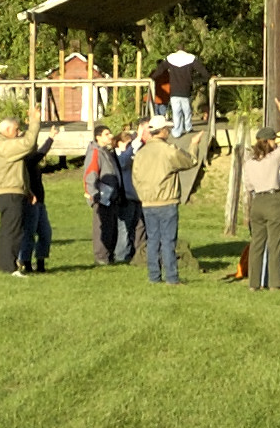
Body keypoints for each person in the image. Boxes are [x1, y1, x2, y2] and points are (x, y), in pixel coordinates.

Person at [129, 114, 213, 284]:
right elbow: (190, 161)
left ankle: (154, 276)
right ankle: (172, 278)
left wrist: (143, 195)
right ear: (164, 131)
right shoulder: (168, 150)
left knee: (152, 240)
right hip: (167, 201)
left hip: (147, 202)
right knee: (168, 241)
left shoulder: (141, 153)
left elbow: (135, 178)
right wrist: (194, 145)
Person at [0, 108, 44, 275]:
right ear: (7, 130)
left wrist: (27, 191)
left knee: (8, 230)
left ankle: (5, 265)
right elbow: (28, 144)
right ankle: (10, 267)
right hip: (10, 194)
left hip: (10, 193)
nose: (19, 133)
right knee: (13, 231)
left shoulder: (1, 145)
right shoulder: (3, 145)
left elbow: (18, 170)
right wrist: (34, 123)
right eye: (17, 129)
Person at [241, 132, 280, 288]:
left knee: (256, 245)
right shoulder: (274, 158)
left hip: (257, 201)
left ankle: (253, 284)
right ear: (269, 141)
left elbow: (249, 186)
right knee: (275, 244)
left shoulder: (249, 163)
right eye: (274, 139)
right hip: (273, 200)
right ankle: (275, 283)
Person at [87, 124, 133, 266]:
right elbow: (90, 174)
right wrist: (94, 195)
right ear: (98, 137)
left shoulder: (106, 151)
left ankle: (109, 255)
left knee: (111, 227)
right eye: (107, 134)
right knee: (102, 227)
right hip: (102, 197)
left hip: (111, 196)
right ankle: (101, 256)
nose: (110, 136)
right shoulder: (95, 152)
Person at [19, 120, 53, 272]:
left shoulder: (32, 158)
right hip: (30, 201)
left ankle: (40, 261)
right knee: (29, 233)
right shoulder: (25, 159)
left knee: (45, 232)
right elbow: (39, 154)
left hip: (40, 201)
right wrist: (50, 138)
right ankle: (25, 262)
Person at [165, 50, 204, 134]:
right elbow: (201, 69)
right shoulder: (190, 59)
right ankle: (188, 127)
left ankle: (177, 130)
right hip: (185, 90)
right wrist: (209, 76)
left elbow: (160, 69)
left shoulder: (171, 58)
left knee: (176, 112)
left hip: (174, 91)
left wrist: (152, 76)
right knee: (187, 111)